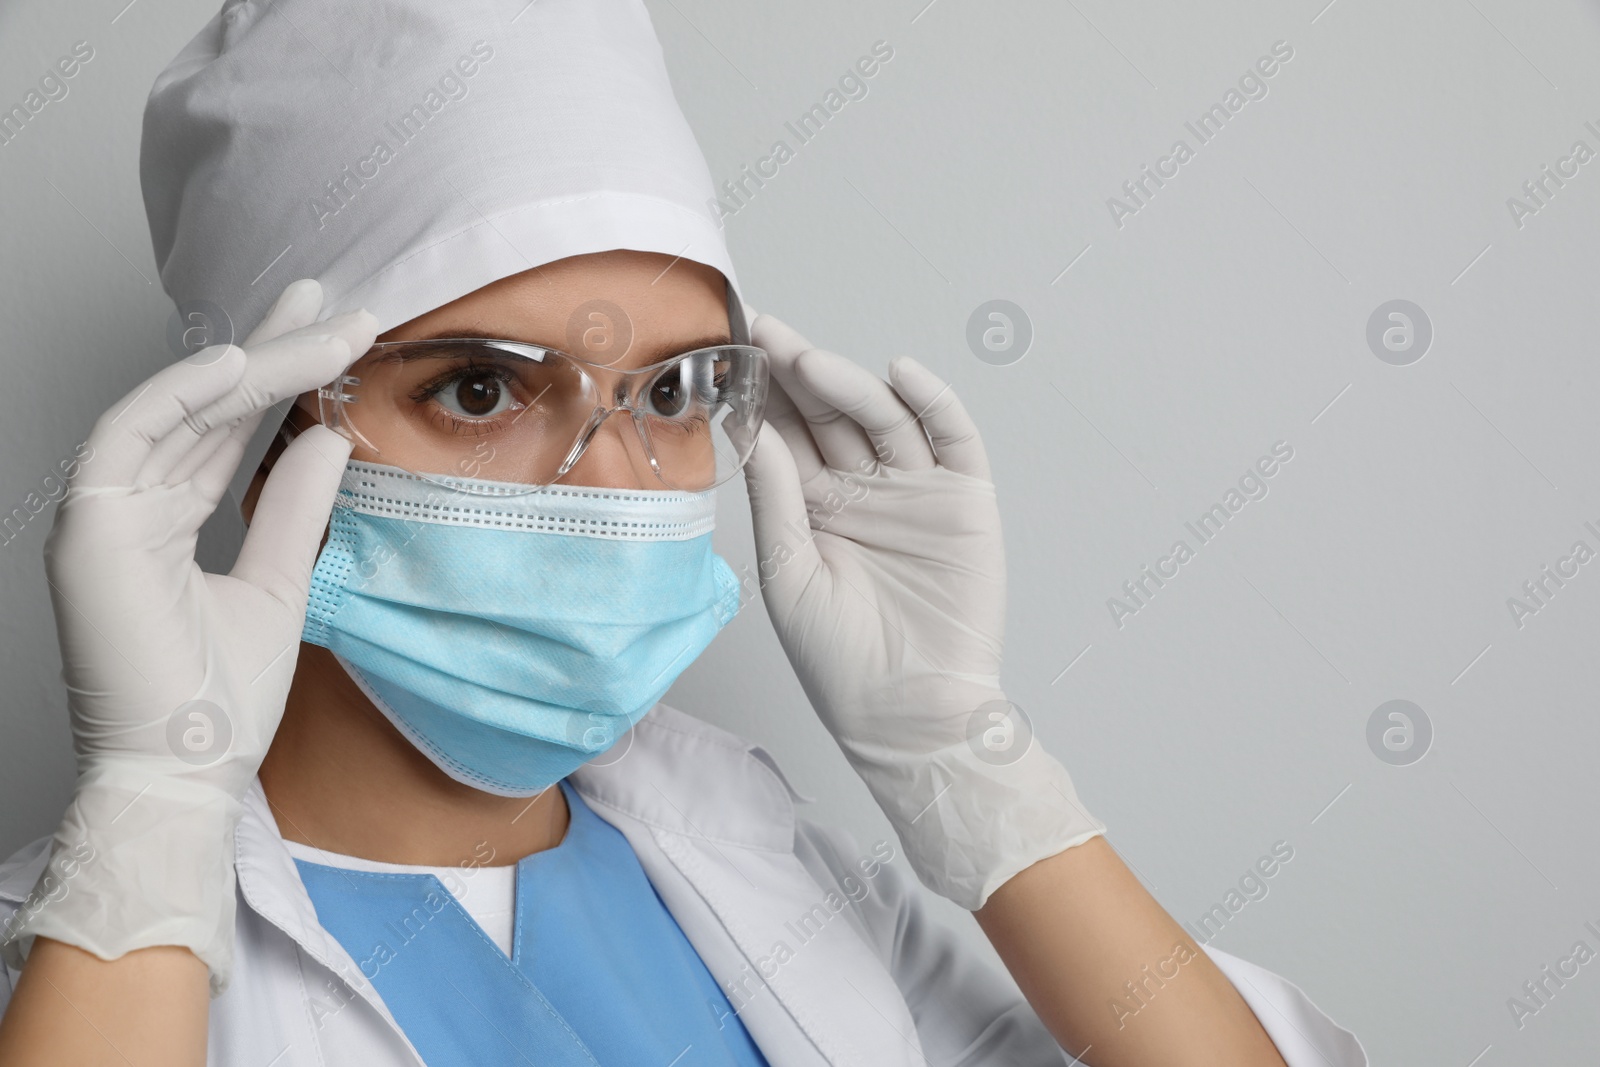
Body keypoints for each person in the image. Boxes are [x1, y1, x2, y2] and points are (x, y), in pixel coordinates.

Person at [0, 2, 1366, 1064]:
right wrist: (154, 812)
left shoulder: (760, 868)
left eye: (671, 392)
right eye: (482, 389)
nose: (612, 486)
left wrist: (970, 759)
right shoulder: (67, 975)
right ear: (265, 431)